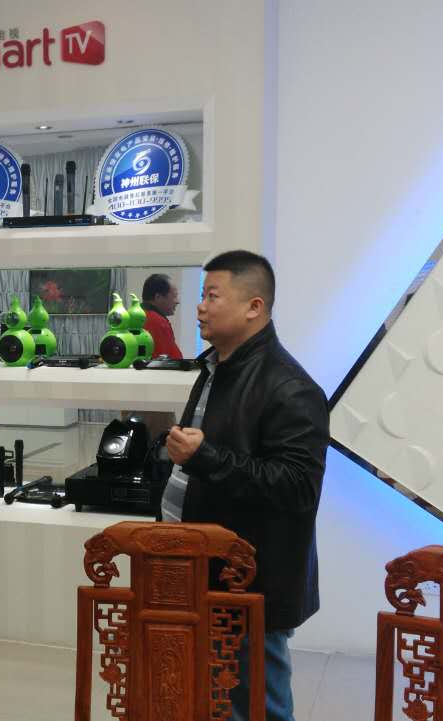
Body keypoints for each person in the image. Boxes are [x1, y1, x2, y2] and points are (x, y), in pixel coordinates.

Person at [158, 250, 329, 721]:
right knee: (212, 700)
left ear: (254, 306)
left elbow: (298, 488)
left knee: (255, 706)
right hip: (200, 571)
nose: (199, 307)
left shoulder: (290, 387)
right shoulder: (217, 367)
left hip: (248, 583)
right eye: (201, 295)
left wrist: (206, 457)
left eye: (212, 296)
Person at [141, 273, 184, 359]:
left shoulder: (136, 316)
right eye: (174, 296)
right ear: (158, 297)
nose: (177, 301)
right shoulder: (157, 322)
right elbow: (164, 361)